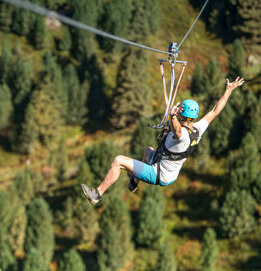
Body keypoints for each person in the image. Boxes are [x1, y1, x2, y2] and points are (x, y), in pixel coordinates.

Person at [81, 76, 244, 205]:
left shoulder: (182, 136)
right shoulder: (198, 128)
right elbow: (215, 111)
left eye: (179, 112)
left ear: (182, 116)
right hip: (166, 170)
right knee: (147, 150)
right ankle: (134, 181)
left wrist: (172, 116)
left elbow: (178, 131)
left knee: (118, 161)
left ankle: (97, 194)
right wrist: (228, 90)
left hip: (158, 174)